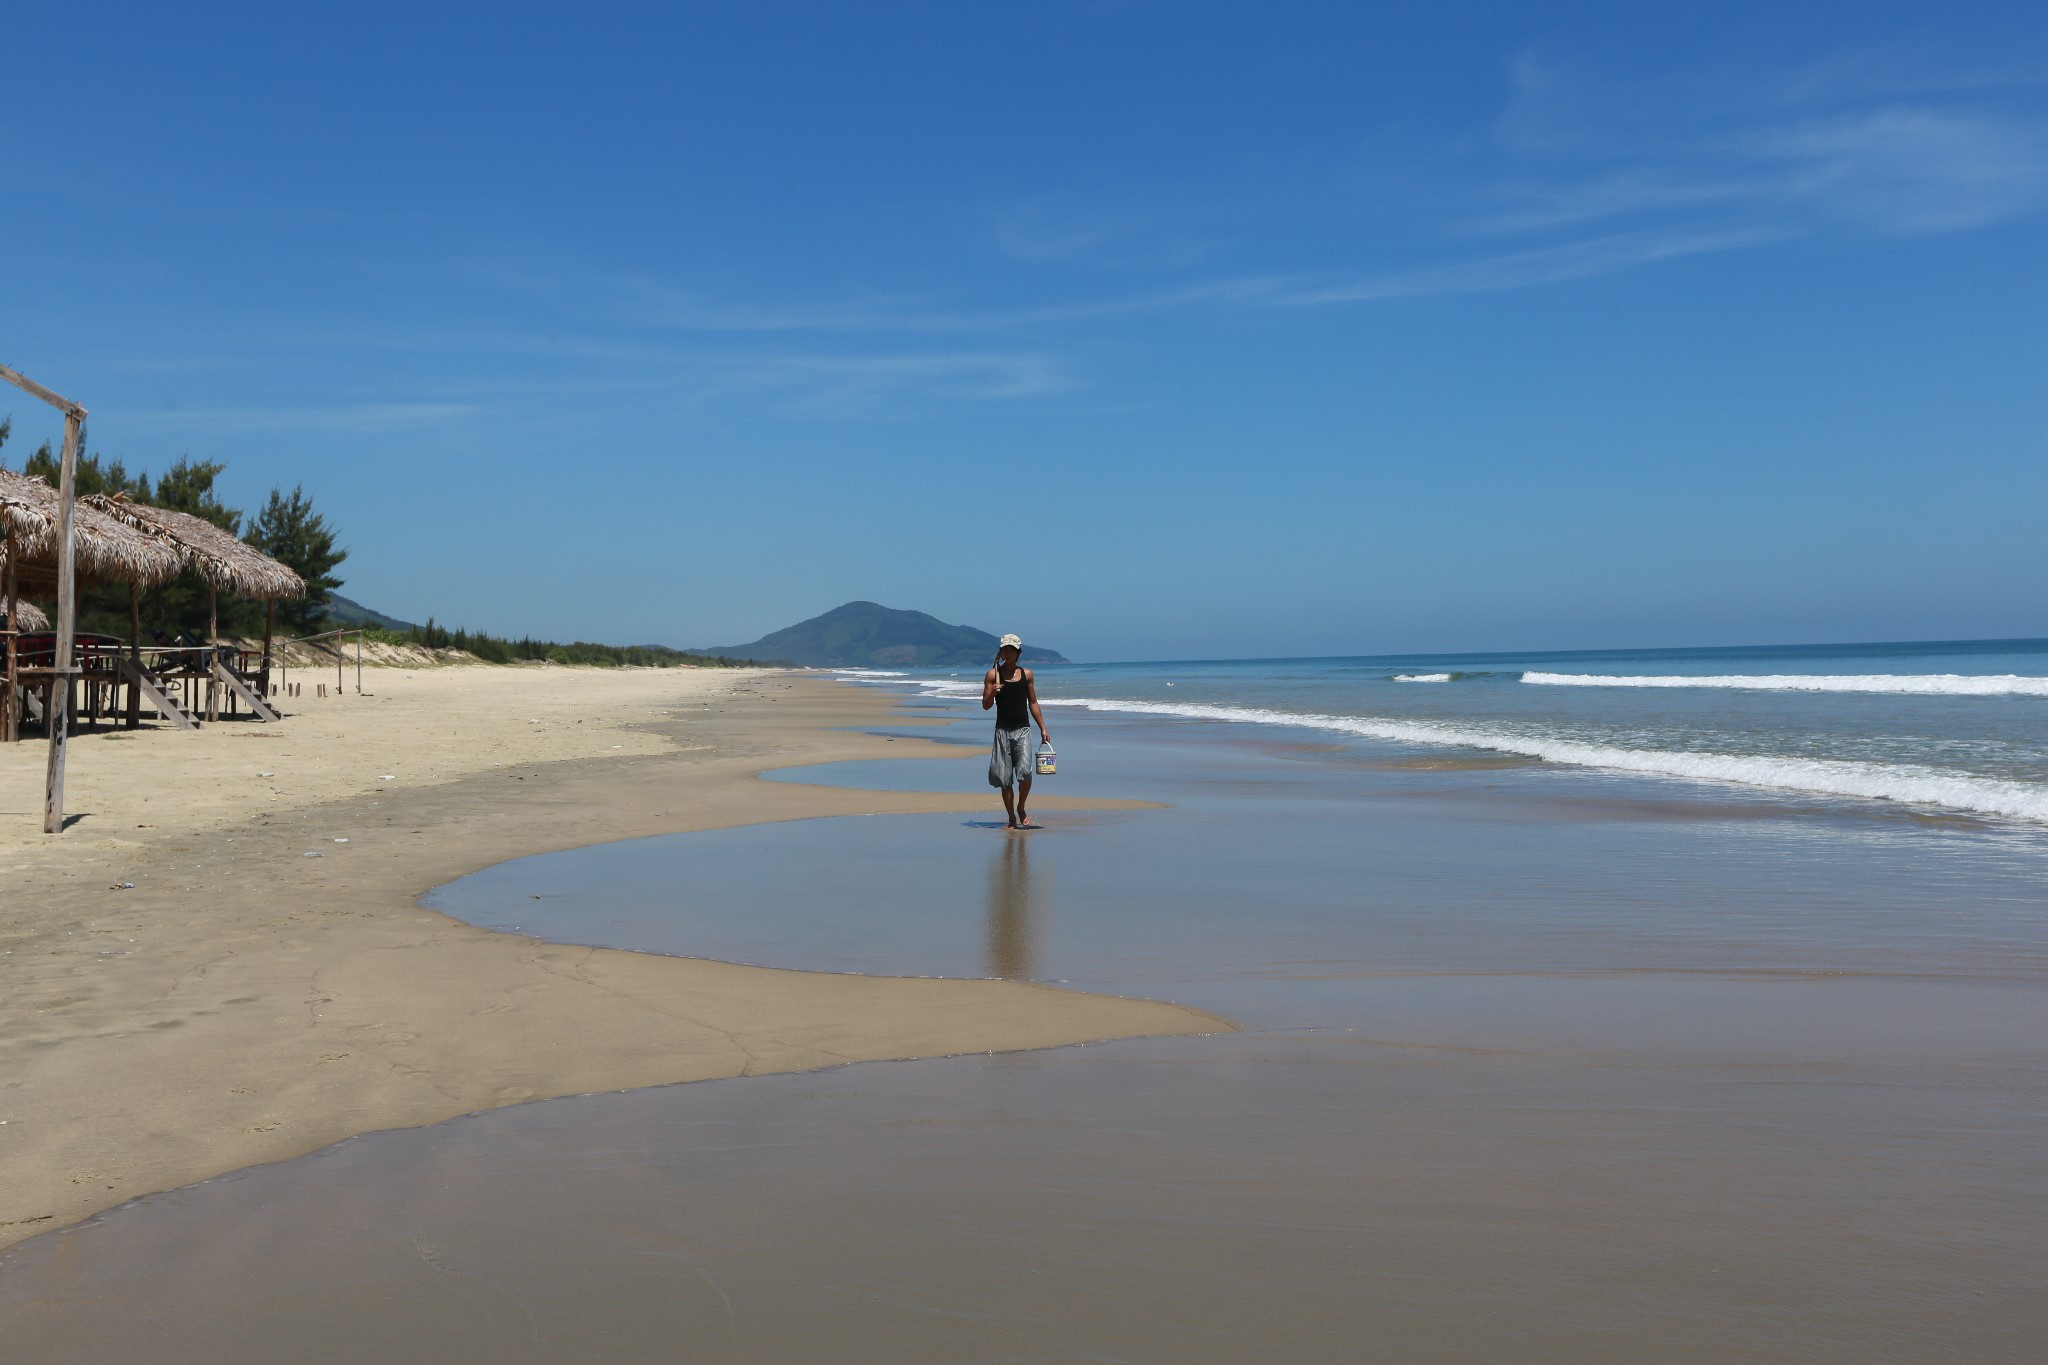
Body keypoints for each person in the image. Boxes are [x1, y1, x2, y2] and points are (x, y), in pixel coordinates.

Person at [982, 633, 1051, 830]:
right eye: (1005, 649)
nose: (1008, 652)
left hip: (1023, 730)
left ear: (1018, 652)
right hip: (1002, 731)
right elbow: (985, 705)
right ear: (1001, 651)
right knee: (1005, 779)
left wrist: (1043, 728)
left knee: (1025, 774)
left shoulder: (1027, 674)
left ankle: (1021, 807)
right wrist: (993, 692)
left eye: (1011, 649)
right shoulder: (992, 675)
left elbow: (1033, 702)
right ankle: (1012, 817)